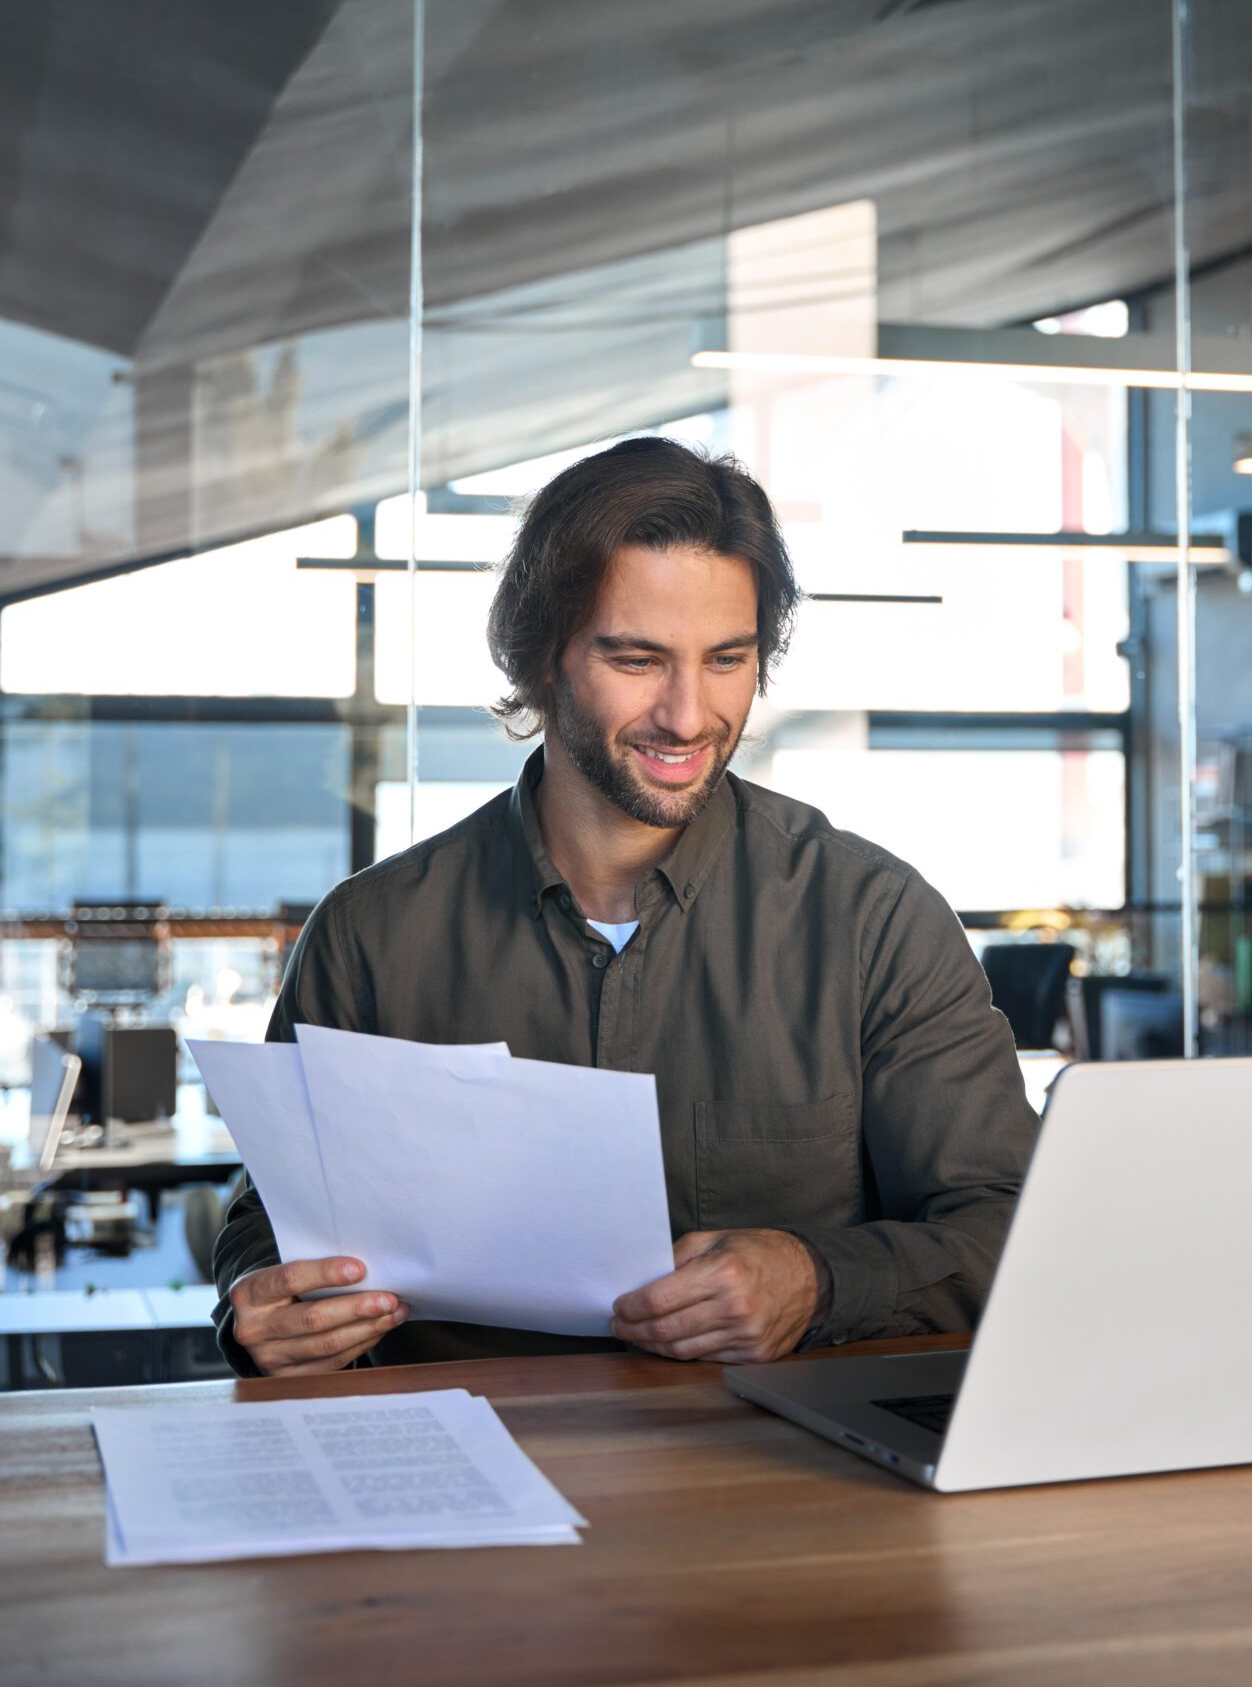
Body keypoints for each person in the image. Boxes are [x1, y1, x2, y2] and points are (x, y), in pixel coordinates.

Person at [213, 436, 1038, 1375]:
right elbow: (269, 1219)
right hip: (464, 1471)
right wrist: (263, 1307)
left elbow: (1015, 1225)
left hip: (780, 1487)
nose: (688, 716)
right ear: (541, 660)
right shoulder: (372, 932)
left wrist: (817, 1279)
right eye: (638, 660)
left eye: (726, 659)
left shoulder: (872, 919)